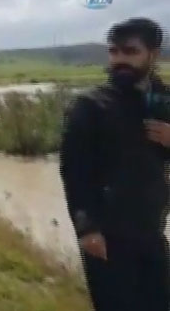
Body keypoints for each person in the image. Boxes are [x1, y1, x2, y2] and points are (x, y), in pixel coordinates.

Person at [60, 18, 170, 311]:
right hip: (108, 237)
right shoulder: (90, 106)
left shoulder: (163, 102)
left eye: (130, 51)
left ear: (153, 54)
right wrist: (87, 229)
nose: (119, 59)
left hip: (153, 231)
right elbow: (74, 172)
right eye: (113, 52)